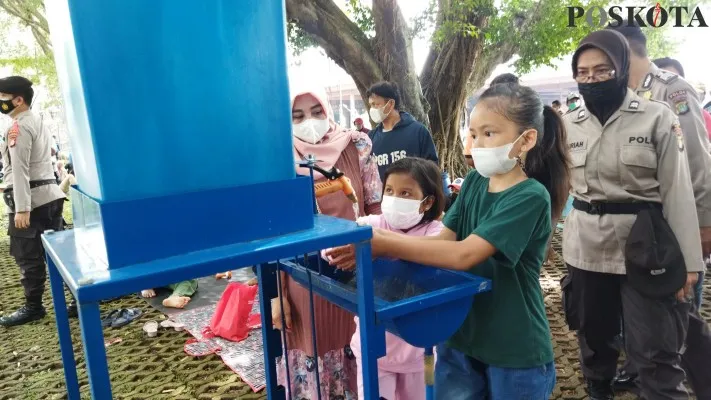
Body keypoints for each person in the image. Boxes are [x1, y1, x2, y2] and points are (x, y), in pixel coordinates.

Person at [329, 81, 570, 399]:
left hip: (512, 345)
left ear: (526, 140)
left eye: (489, 133)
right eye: (473, 133)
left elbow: (464, 255)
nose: (477, 143)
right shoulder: (472, 183)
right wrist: (380, 243)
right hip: (459, 334)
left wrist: (387, 243)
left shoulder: (529, 195)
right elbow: (443, 241)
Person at [561, 30, 706, 400]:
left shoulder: (657, 118)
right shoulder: (566, 124)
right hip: (586, 250)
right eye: (583, 72)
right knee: (594, 344)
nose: (592, 79)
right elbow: (555, 187)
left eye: (602, 70)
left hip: (647, 249)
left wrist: (690, 263)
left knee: (655, 353)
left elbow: (678, 191)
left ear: (622, 68)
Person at [608, 22, 711, 396]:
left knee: (680, 316)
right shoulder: (618, 93)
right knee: (658, 318)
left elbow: (697, 164)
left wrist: (701, 227)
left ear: (623, 48)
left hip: (674, 228)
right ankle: (645, 368)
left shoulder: (672, 89)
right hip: (640, 234)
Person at [272, 84, 382, 399]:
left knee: (359, 353)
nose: (310, 120)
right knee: (313, 356)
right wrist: (277, 295)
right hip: (302, 281)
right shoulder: (279, 157)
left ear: (328, 111)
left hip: (357, 271)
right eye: (298, 116)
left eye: (317, 111)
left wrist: (372, 252)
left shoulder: (356, 145)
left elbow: (375, 207)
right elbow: (275, 235)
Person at [345, 157, 445, 400]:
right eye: (389, 190)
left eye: (405, 193)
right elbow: (335, 245)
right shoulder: (373, 224)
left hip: (419, 352)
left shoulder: (436, 233)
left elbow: (437, 253)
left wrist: (387, 247)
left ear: (427, 202)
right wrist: (340, 248)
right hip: (374, 346)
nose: (394, 198)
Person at [0, 76, 66, 327]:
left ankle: (34, 307)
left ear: (18, 100)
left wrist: (21, 207)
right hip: (48, 196)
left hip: (31, 202)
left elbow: (20, 169)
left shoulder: (17, 127)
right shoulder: (37, 120)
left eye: (3, 99)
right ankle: (72, 301)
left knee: (28, 257)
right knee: (58, 254)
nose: (1, 103)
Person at [366, 81, 439, 181]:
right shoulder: (371, 137)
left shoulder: (418, 132)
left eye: (376, 104)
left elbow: (432, 169)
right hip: (382, 196)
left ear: (390, 104)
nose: (372, 109)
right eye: (371, 105)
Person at [654, 57, 711, 142]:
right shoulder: (639, 115)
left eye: (675, 81)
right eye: (662, 81)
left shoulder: (702, 116)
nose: (670, 87)